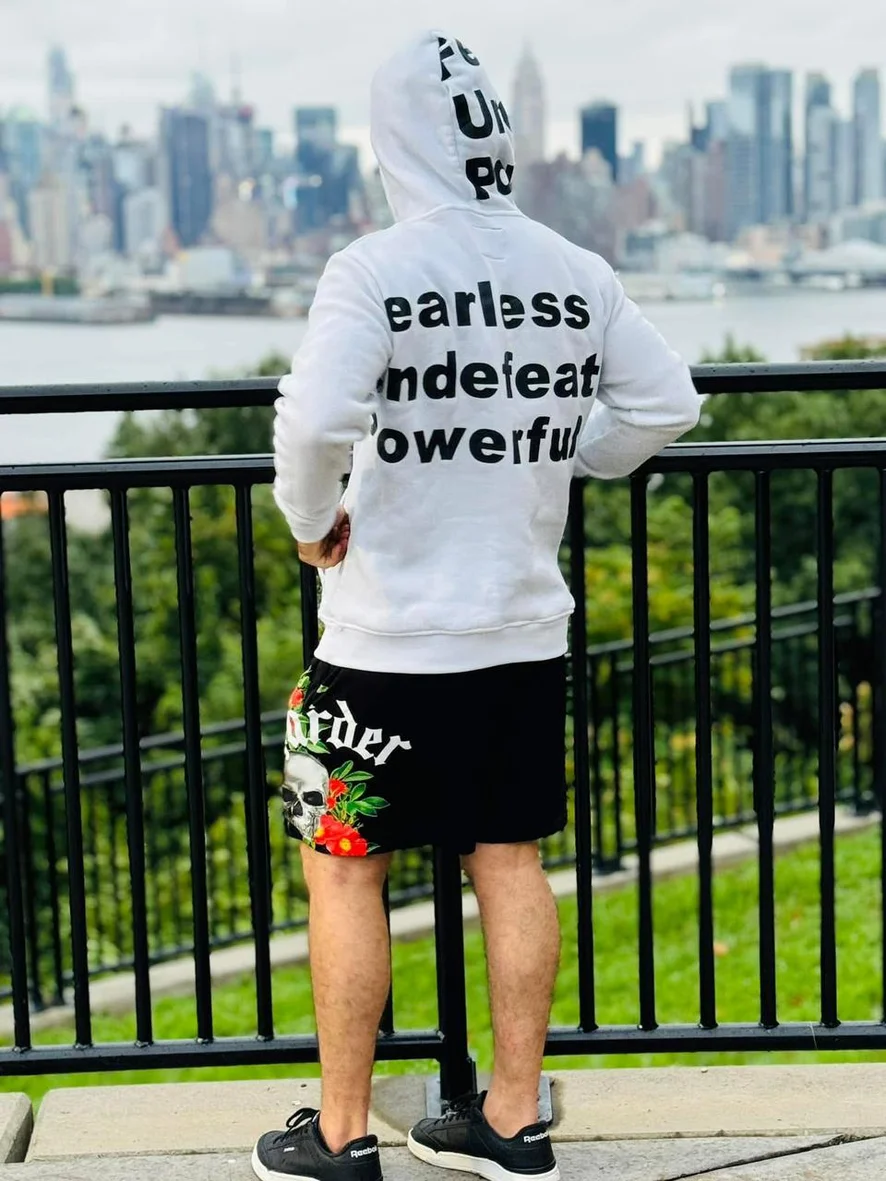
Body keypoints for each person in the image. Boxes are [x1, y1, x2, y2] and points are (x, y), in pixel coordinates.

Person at [251, 28, 700, 1181]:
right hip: (518, 630)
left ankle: (341, 1135)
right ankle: (508, 1119)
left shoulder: (372, 268)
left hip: (378, 639)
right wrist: (562, 452)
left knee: (345, 866)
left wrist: (310, 524)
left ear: (391, 142)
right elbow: (666, 403)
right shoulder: (572, 266)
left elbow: (310, 421)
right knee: (507, 861)